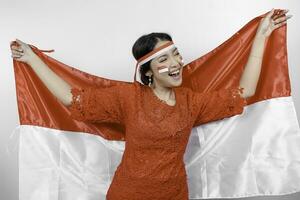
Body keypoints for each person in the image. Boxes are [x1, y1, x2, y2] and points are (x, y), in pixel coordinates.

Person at [10, 8, 291, 200]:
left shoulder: (191, 103)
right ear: (148, 71)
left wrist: (262, 35)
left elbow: (244, 92)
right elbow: (74, 99)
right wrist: (31, 59)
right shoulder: (128, 98)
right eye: (164, 59)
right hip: (129, 194)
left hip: (175, 194)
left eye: (176, 55)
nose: (175, 63)